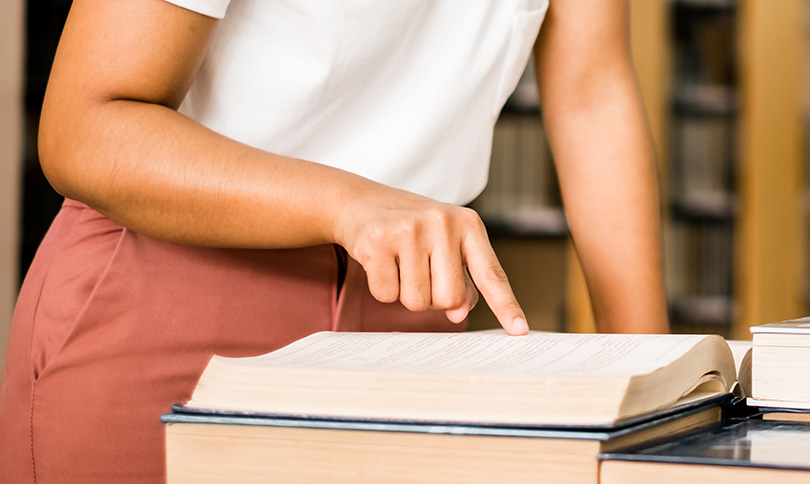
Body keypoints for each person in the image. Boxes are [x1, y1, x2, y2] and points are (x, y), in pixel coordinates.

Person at [0, 0, 668, 482]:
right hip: (163, 304)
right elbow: (84, 126)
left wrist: (662, 389)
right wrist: (347, 202)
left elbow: (591, 95)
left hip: (410, 326)